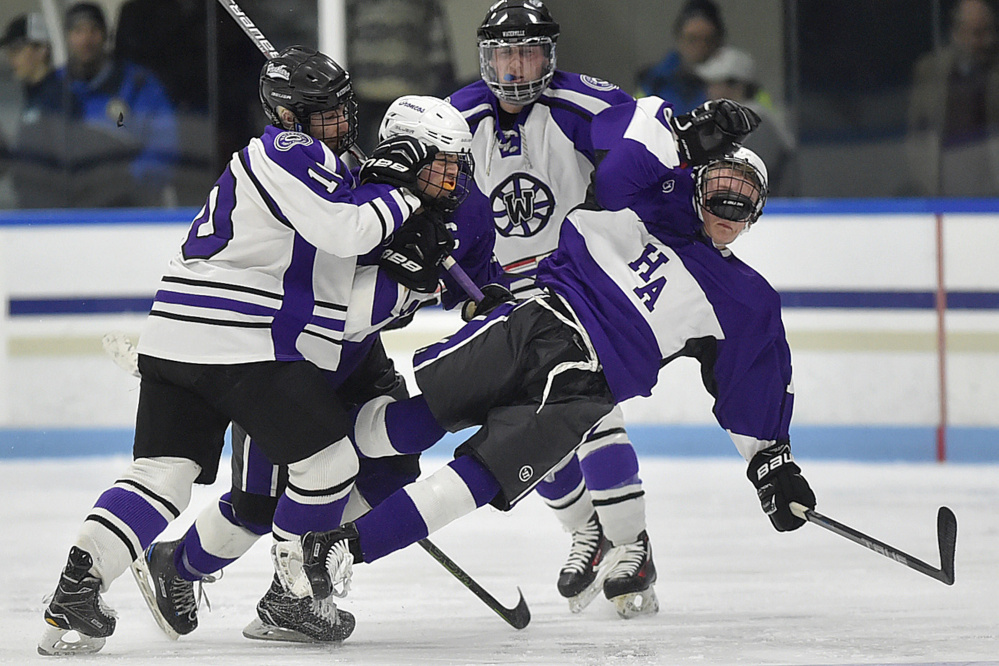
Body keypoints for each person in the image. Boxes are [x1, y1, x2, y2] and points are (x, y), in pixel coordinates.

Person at [280, 96, 815, 631]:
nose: (726, 210)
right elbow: (634, 146)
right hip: (536, 322)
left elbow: (753, 382)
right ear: (695, 183)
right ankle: (315, 450)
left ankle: (344, 546)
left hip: (587, 390)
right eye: (719, 191)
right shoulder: (648, 203)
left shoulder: (747, 301)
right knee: (422, 419)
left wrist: (773, 463)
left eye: (741, 203)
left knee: (484, 477)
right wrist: (685, 135)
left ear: (757, 213)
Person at [37, 46, 444, 656]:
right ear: (285, 115)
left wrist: (380, 201)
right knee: (329, 463)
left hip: (176, 336)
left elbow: (335, 244)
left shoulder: (306, 160)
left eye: (342, 112)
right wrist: (408, 193)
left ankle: (77, 591)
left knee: (162, 477)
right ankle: (294, 597)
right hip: (240, 339)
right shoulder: (287, 149)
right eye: (323, 115)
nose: (339, 125)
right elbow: (346, 230)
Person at [130, 95, 499, 644]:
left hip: (362, 362)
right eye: (437, 161)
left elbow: (475, 280)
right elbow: (327, 309)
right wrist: (401, 280)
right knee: (257, 507)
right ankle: (177, 565)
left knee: (391, 473)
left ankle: (293, 590)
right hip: (289, 361)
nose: (452, 175)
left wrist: (479, 299)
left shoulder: (468, 209)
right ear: (403, 153)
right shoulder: (348, 198)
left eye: (458, 161)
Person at [445, 0, 659, 617]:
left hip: (577, 283)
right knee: (525, 424)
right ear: (487, 56)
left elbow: (650, 142)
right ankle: (588, 536)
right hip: (499, 293)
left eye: (530, 52)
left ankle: (630, 544)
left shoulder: (580, 104)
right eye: (505, 53)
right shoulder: (458, 119)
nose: (517, 66)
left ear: (550, 55)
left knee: (588, 406)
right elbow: (423, 202)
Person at [56, 2, 179, 207]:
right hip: (68, 207)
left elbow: (164, 146)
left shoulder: (139, 84)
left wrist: (126, 181)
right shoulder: (54, 86)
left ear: (106, 35)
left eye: (93, 30)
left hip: (128, 207)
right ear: (68, 37)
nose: (86, 40)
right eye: (78, 31)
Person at [907, 0, 999, 196]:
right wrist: (923, 181)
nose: (988, 40)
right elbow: (916, 134)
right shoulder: (930, 70)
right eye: (978, 33)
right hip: (944, 186)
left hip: (991, 188)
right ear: (957, 34)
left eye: (990, 31)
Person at [346, 0, 458, 153]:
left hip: (367, 86)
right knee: (405, 151)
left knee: (358, 151)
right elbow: (438, 46)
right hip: (402, 89)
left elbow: (340, 35)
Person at [695, 46, 797, 196]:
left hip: (768, 207)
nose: (709, 90)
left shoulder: (753, 119)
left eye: (716, 83)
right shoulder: (730, 118)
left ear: (737, 85)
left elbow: (747, 175)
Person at [0, 13, 66, 208]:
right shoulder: (30, 96)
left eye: (17, 50)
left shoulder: (61, 97)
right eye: (9, 51)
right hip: (34, 208)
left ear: (41, 50)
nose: (11, 59)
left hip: (54, 210)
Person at [636, 0, 726, 115]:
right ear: (679, 39)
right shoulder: (654, 80)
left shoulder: (732, 80)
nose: (700, 47)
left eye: (708, 40)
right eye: (692, 39)